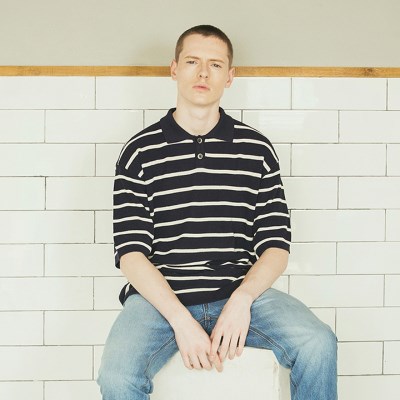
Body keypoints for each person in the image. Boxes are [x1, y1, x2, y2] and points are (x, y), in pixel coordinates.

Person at [97, 24, 337, 400]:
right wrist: (181, 320)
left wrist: (242, 299)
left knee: (318, 343)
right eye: (192, 61)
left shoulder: (256, 149)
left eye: (215, 64)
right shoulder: (139, 152)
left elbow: (276, 246)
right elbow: (131, 254)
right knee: (116, 376)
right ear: (174, 69)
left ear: (230, 76)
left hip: (239, 292)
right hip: (159, 301)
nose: (203, 73)